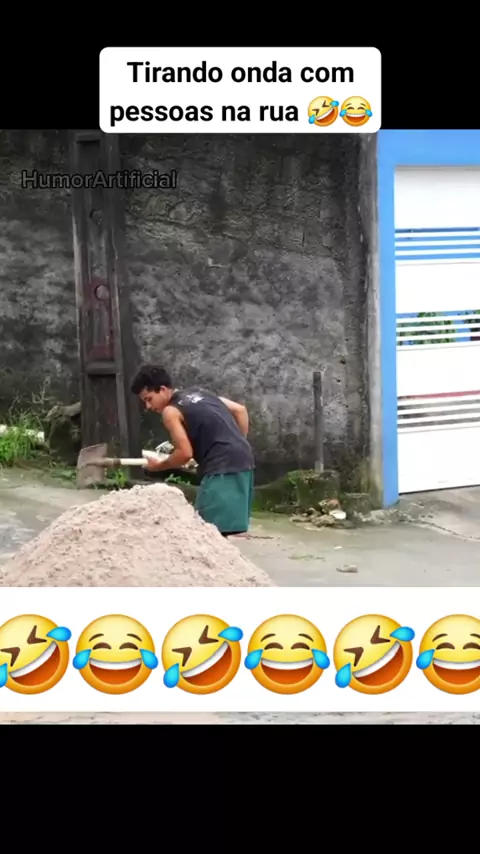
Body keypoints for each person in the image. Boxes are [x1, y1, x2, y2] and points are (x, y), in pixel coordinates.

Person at [130, 364, 255, 537]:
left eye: (149, 399)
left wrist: (159, 466)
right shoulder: (200, 393)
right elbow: (240, 410)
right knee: (216, 532)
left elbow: (184, 453)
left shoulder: (170, 411)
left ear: (163, 390)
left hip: (221, 467)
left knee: (204, 531)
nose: (148, 406)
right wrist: (237, 442)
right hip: (244, 461)